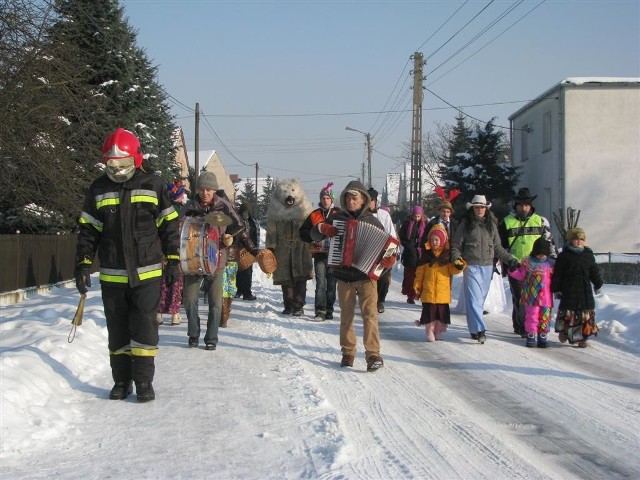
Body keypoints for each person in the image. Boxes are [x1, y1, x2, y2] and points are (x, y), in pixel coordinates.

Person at [75, 127, 180, 402]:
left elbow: (169, 226)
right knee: (118, 330)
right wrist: (83, 264)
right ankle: (121, 381)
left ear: (136, 159)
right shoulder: (99, 188)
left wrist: (173, 261)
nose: (118, 170)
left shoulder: (154, 185)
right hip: (112, 276)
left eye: (123, 164)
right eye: (112, 165)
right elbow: (88, 229)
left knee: (144, 327)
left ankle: (144, 381)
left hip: (147, 274)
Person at [316, 180, 396, 372]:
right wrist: (322, 229)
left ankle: (373, 355)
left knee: (370, 316)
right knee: (346, 317)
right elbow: (313, 233)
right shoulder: (337, 218)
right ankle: (348, 352)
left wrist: (389, 261)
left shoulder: (373, 221)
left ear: (363, 200)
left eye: (355, 198)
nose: (351, 202)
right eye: (348, 198)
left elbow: (388, 249)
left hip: (367, 277)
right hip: (344, 276)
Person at [180, 172, 256, 350]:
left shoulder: (223, 206)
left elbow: (239, 225)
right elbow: (179, 225)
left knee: (216, 303)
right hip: (193, 259)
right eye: (201, 189)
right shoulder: (190, 206)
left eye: (208, 189)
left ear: (214, 190)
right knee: (189, 300)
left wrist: (229, 235)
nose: (205, 193)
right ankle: (193, 334)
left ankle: (211, 338)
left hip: (217, 259)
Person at [450, 194, 518, 344]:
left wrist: (511, 259)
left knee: (479, 301)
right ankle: (480, 330)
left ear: (486, 209)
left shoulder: (492, 225)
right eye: (477, 207)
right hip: (472, 266)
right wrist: (456, 259)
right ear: (472, 209)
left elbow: (498, 247)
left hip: (487, 266)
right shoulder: (465, 224)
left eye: (482, 207)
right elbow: (456, 245)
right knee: (474, 299)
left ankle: (473, 330)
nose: (480, 210)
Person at [499, 188, 556, 337]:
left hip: (538, 268)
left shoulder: (541, 221)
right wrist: (507, 262)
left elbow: (550, 244)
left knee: (534, 298)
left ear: (530, 206)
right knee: (520, 297)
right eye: (520, 205)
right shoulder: (506, 222)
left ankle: (528, 324)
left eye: (526, 205)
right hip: (516, 266)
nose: (523, 208)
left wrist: (553, 262)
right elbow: (500, 246)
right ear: (516, 205)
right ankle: (522, 326)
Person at [266, 178, 314, 317]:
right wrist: (270, 248)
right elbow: (271, 231)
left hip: (301, 248)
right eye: (286, 192)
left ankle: (298, 305)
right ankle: (288, 304)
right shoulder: (275, 209)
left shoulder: (305, 208)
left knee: (300, 277)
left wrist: (312, 243)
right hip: (282, 249)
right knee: (285, 278)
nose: (289, 195)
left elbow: (311, 228)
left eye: (292, 192)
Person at [551, 227, 603, 348]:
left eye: (581, 239)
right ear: (570, 240)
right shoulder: (565, 255)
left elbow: (594, 271)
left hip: (584, 289)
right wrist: (556, 288)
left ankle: (581, 339)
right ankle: (564, 332)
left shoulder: (588, 254)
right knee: (569, 313)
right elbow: (558, 273)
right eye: (576, 239)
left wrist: (598, 284)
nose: (579, 241)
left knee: (584, 314)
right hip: (569, 288)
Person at [413, 224, 465, 342]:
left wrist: (460, 264)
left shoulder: (446, 257)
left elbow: (453, 270)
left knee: (441, 315)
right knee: (430, 314)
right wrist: (417, 286)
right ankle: (429, 330)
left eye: (436, 240)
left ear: (442, 240)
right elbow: (420, 274)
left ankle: (438, 330)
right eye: (432, 240)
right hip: (429, 292)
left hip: (442, 294)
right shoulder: (426, 257)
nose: (434, 242)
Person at [299, 182, 341, 321]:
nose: (325, 200)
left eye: (328, 198)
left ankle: (329, 309)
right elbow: (302, 232)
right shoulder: (314, 214)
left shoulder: (339, 214)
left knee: (331, 284)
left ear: (332, 199)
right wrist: (311, 237)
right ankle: (320, 311)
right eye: (323, 198)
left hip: (334, 255)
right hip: (319, 254)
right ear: (320, 200)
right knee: (321, 284)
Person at [507, 238, 556, 348]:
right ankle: (531, 335)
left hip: (546, 297)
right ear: (535, 252)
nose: (541, 257)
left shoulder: (551, 264)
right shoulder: (528, 263)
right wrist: (513, 270)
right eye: (539, 254)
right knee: (532, 316)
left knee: (545, 316)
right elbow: (520, 275)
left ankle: (543, 335)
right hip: (531, 296)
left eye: (544, 254)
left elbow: (555, 279)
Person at [157, 180, 188, 326]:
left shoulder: (162, 210)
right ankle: (175, 314)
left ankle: (159, 314)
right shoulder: (181, 212)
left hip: (161, 251)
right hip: (178, 250)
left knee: (162, 283)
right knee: (176, 283)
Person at [367, 187, 398, 314]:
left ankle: (380, 301)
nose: (369, 203)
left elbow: (392, 236)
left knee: (383, 279)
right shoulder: (361, 215)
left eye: (371, 200)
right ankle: (368, 301)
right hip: (367, 254)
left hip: (382, 253)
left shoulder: (384, 215)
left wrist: (390, 256)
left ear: (375, 201)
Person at [398, 205, 427, 304]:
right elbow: (401, 236)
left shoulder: (425, 224)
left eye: (418, 216)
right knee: (410, 276)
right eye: (415, 216)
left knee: (419, 276)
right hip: (409, 254)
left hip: (420, 254)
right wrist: (407, 245)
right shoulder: (407, 224)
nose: (417, 218)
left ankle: (418, 294)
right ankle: (410, 295)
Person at [235, 202, 260, 301]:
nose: (245, 214)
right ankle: (239, 290)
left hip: (249, 251)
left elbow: (255, 236)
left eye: (247, 212)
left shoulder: (253, 222)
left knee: (248, 272)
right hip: (238, 249)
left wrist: (255, 249)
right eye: (244, 212)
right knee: (238, 272)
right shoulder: (236, 220)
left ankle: (247, 292)